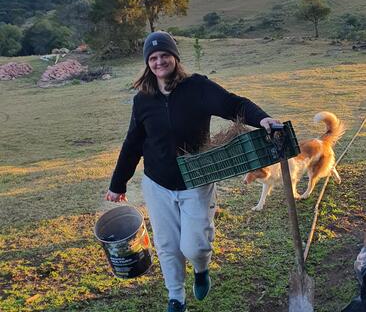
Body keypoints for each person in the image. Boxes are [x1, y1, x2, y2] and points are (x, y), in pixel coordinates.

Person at [105, 31, 280, 312]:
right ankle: (176, 298)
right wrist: (118, 184)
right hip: (157, 183)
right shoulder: (143, 99)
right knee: (167, 245)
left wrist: (263, 119)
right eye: (153, 57)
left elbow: (234, 105)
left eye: (164, 55)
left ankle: (201, 268)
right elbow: (133, 143)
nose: (159, 61)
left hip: (196, 179)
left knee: (195, 246)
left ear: (175, 57)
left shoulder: (197, 87)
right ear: (147, 63)